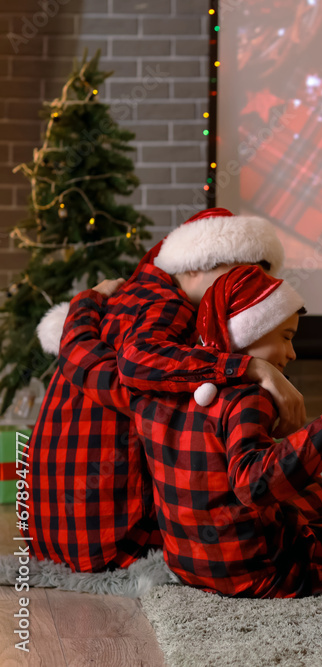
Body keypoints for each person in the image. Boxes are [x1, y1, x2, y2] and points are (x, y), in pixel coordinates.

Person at [27, 208, 304, 573]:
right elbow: (138, 362)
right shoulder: (168, 303)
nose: (248, 292)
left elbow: (104, 366)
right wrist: (251, 367)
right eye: (240, 277)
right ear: (193, 267)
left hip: (54, 529)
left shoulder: (133, 297)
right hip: (114, 535)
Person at [130, 265, 322, 597]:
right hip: (262, 572)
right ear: (250, 331)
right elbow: (254, 485)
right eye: (286, 337)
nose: (292, 353)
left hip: (185, 564)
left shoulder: (162, 394)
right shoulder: (247, 397)